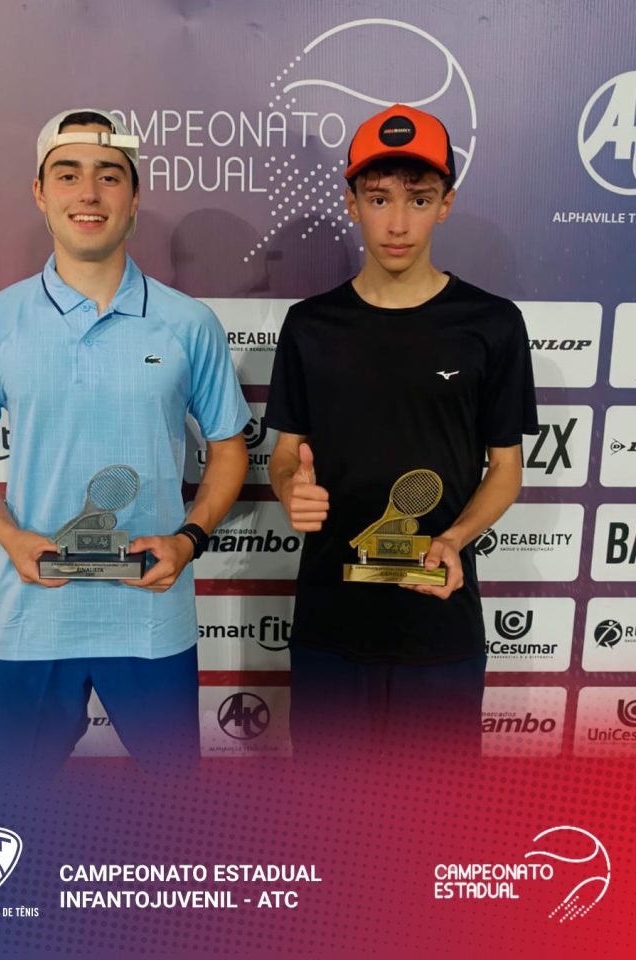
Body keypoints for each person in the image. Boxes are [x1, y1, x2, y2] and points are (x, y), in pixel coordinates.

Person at [0, 108, 250, 778]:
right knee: (20, 809)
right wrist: (9, 535)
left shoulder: (187, 323)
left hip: (150, 615)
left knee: (175, 809)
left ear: (134, 197)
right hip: (34, 617)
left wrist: (188, 539)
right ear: (39, 192)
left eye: (109, 176)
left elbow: (229, 447)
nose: (88, 193)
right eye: (68, 174)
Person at [266, 104, 538, 762]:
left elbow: (505, 469)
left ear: (445, 204)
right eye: (379, 197)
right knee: (328, 815)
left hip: (439, 625)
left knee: (434, 816)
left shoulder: (493, 324)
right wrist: (289, 489)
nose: (396, 223)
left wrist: (453, 539)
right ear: (351, 201)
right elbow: (284, 456)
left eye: (418, 199)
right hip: (331, 623)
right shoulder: (309, 325)